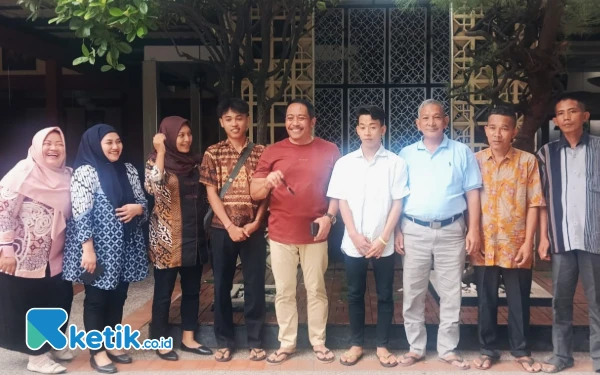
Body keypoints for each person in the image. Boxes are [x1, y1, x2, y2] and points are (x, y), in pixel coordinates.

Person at [250, 98, 341, 365]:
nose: (294, 123)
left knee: (316, 289)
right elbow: (255, 192)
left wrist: (330, 217)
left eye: (301, 117)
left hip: (316, 234)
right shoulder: (272, 152)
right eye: (290, 117)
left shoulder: (330, 150)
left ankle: (318, 342)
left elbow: (339, 191)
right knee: (285, 291)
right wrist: (268, 181)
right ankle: (287, 343)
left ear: (312, 121)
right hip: (280, 234)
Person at [395, 99, 482, 369]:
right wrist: (397, 229)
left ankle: (447, 349)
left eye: (437, 117)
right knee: (413, 292)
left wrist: (474, 229)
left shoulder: (461, 152)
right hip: (414, 230)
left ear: (446, 121)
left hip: (452, 230)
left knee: (450, 292)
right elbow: (397, 195)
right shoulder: (406, 154)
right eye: (426, 118)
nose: (431, 122)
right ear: (417, 124)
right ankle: (416, 347)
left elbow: (473, 192)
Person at [326, 105, 409, 368]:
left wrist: (384, 238)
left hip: (382, 243)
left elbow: (398, 203)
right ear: (357, 130)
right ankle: (356, 344)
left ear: (383, 129)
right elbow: (341, 200)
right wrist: (352, 233)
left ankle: (383, 346)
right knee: (354, 293)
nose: (368, 131)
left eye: (373, 126)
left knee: (385, 295)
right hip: (354, 242)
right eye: (363, 126)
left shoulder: (396, 163)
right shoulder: (344, 163)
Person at [63, 124, 149, 374]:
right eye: (109, 142)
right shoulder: (85, 172)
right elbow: (81, 213)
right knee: (96, 299)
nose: (115, 146)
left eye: (118, 141)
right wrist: (87, 249)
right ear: (95, 144)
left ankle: (112, 341)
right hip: (98, 248)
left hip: (125, 246)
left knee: (119, 296)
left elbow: (142, 201)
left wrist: (138, 209)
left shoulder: (129, 169)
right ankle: (97, 350)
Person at [470, 106, 545, 372]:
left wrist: (529, 242)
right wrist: (472, 234)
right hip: (484, 244)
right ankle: (487, 349)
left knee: (519, 300)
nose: (498, 133)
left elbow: (535, 203)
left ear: (513, 131)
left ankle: (521, 350)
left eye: (504, 128)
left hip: (516, 244)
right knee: (485, 300)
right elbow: (469, 202)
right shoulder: (475, 161)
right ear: (485, 129)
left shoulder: (527, 161)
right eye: (492, 127)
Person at [0, 127, 74, 374]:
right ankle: (37, 356)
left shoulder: (68, 176)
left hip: (57, 256)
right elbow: (4, 213)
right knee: (29, 304)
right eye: (48, 143)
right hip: (24, 257)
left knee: (59, 299)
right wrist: (6, 250)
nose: (53, 148)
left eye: (59, 143)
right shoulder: (21, 173)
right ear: (37, 145)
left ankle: (52, 341)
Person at [200, 98, 269, 362]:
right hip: (222, 230)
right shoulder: (212, 153)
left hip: (252, 230)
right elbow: (211, 193)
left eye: (239, 117)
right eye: (228, 119)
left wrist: (256, 223)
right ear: (221, 122)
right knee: (221, 285)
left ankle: (255, 341)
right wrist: (229, 225)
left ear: (247, 120)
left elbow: (266, 195)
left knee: (255, 286)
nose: (234, 123)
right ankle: (224, 341)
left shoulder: (261, 152)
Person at [537, 94, 600, 374]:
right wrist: (544, 237)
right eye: (560, 113)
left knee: (597, 301)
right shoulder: (546, 154)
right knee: (560, 301)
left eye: (572, 111)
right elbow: (540, 200)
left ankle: (598, 359)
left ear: (584, 117)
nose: (566, 117)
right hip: (561, 238)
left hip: (594, 239)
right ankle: (562, 355)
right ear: (554, 120)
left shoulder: (599, 149)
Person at [145, 116, 212, 361]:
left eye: (188, 134)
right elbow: (154, 187)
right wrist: (161, 151)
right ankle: (161, 341)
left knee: (192, 290)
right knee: (163, 292)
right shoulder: (155, 161)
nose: (186, 139)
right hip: (166, 241)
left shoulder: (196, 163)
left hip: (194, 237)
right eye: (180, 135)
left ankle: (188, 338)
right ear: (168, 136)